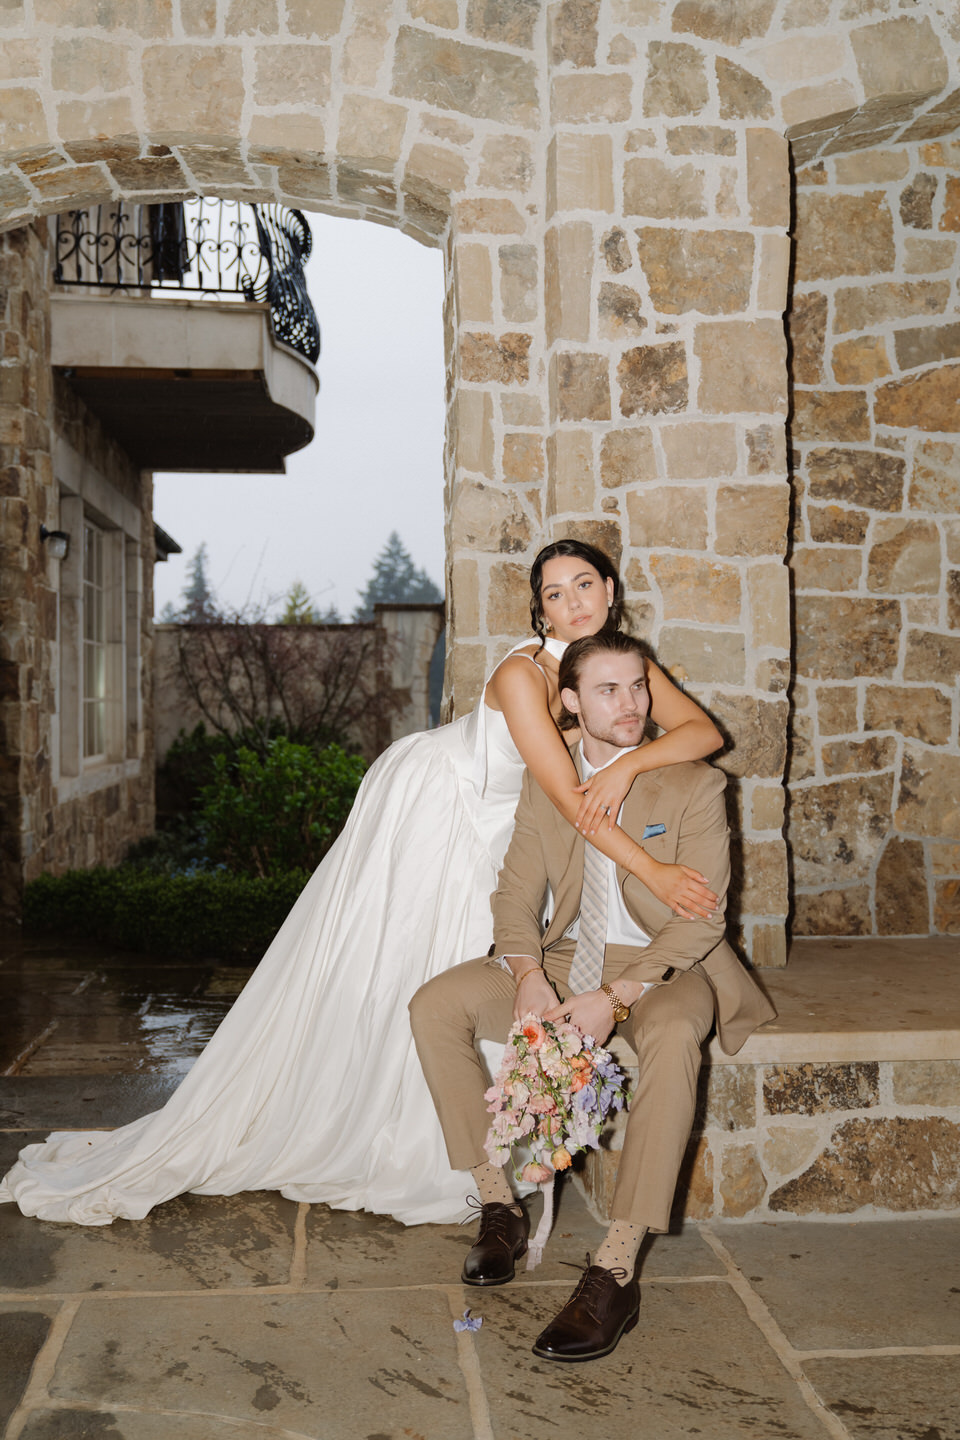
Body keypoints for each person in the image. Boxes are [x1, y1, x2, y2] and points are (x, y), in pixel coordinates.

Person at [1, 540, 722, 1227]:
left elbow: (702, 735)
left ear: (610, 592)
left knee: (482, 962)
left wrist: (630, 764)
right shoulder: (525, 673)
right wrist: (655, 869)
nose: (574, 604)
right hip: (445, 804)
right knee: (411, 966)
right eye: (555, 594)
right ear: (540, 610)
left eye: (585, 586)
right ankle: (408, 1143)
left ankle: (484, 1147)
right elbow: (572, 802)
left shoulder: (619, 667)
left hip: (505, 821)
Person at [410, 630, 776, 1361]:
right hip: (567, 954)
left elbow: (701, 917)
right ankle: (497, 1203)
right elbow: (516, 894)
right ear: (570, 702)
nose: (632, 703)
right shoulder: (550, 785)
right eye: (608, 690)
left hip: (670, 965)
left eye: (638, 686)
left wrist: (618, 993)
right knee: (435, 1006)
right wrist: (528, 976)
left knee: (673, 1039)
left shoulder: (696, 784)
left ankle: (615, 1266)